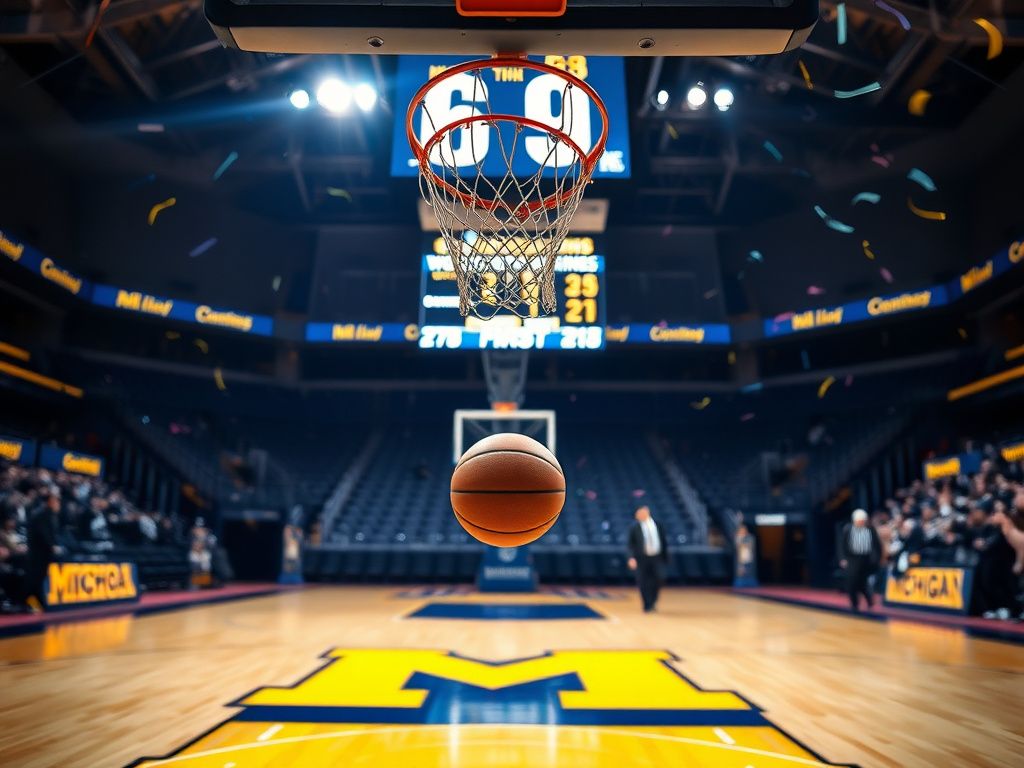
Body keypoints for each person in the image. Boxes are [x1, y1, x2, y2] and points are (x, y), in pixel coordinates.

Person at [627, 506, 668, 613]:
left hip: (656, 557)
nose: (637, 516)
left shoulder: (658, 525)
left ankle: (653, 601)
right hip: (642, 558)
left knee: (658, 579)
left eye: (639, 513)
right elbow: (630, 544)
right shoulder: (634, 527)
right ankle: (647, 605)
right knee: (643, 581)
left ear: (646, 512)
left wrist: (665, 556)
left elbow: (663, 541)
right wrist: (631, 558)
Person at [839, 508, 881, 612]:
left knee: (863, 582)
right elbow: (842, 545)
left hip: (866, 559)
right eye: (859, 521)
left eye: (863, 521)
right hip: (852, 558)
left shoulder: (870, 530)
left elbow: (877, 545)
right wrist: (843, 558)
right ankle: (854, 604)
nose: (861, 523)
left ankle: (870, 602)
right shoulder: (848, 529)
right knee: (852, 582)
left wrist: (876, 558)